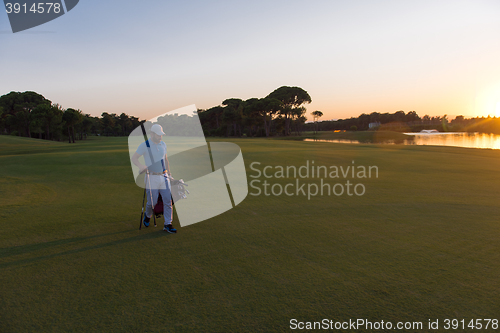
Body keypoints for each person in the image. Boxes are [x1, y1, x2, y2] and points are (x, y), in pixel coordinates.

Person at [131, 124, 177, 233]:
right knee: (153, 202)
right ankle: (148, 215)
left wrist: (169, 174)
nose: (160, 137)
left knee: (168, 201)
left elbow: (165, 160)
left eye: (161, 134)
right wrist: (141, 166)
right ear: (152, 134)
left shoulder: (163, 144)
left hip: (164, 176)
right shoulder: (145, 145)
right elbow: (134, 158)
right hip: (151, 177)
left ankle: (167, 224)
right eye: (158, 135)